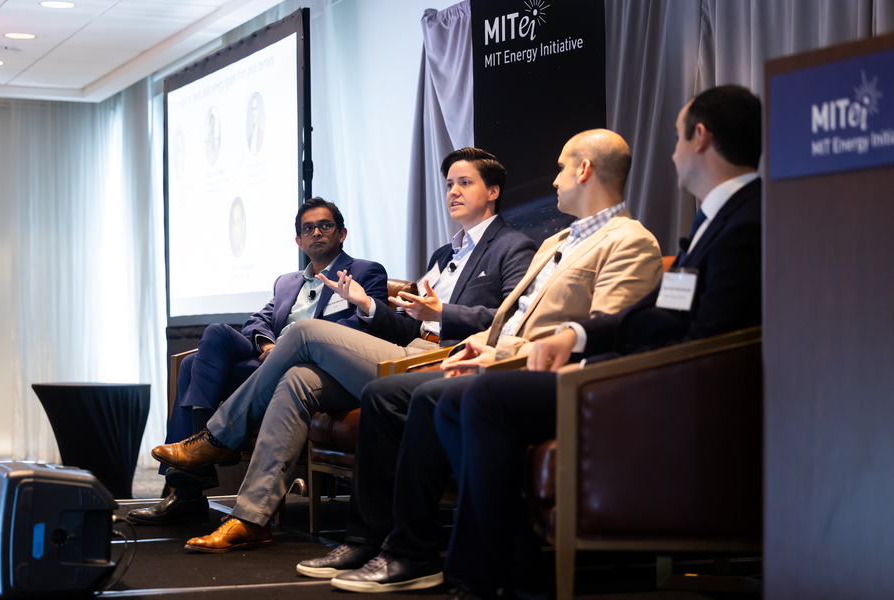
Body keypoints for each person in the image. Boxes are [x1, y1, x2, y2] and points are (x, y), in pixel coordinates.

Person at [297, 129, 666, 593]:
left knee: (424, 396)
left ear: (584, 169)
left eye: (560, 168)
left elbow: (601, 334)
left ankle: (412, 551)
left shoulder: (629, 241)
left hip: (542, 372)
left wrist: (498, 352)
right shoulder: (557, 241)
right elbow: (512, 319)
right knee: (382, 393)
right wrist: (479, 347)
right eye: (449, 184)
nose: (554, 180)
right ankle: (368, 540)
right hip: (497, 356)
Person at [433, 84, 764, 600]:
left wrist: (596, 370)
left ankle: (488, 574)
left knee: (485, 395)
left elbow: (704, 342)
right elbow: (662, 311)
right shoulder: (715, 218)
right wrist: (579, 335)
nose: (674, 152)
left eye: (678, 138)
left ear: (701, 137)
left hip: (667, 392)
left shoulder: (749, 220)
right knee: (455, 400)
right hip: (636, 373)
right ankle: (515, 567)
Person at [146, 148, 538, 551]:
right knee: (296, 379)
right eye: (450, 184)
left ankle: (216, 437)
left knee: (303, 334)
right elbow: (406, 328)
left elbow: (514, 320)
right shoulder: (445, 254)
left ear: (493, 191)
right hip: (410, 349)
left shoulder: (513, 246)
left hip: (446, 360)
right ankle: (252, 518)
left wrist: (444, 313)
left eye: (464, 183)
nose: (453, 191)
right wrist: (368, 305)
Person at [127, 197, 388, 525]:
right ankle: (195, 471)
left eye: (325, 225)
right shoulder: (287, 282)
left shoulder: (365, 271)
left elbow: (364, 331)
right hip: (270, 364)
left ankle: (190, 484)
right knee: (208, 344)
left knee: (194, 368)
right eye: (308, 228)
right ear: (299, 241)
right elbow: (257, 320)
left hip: (313, 368)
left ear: (342, 233)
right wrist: (267, 345)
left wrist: (295, 347)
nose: (316, 232)